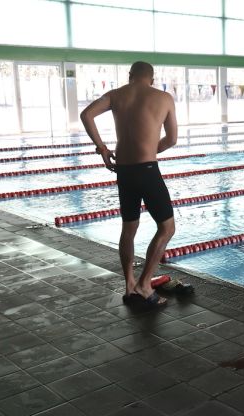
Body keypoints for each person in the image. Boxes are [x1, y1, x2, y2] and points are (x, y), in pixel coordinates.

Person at [80, 61, 177, 308]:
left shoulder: (116, 95)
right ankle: (144, 285)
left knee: (129, 228)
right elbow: (172, 139)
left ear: (130, 76)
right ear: (152, 79)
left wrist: (102, 148)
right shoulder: (163, 98)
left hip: (123, 171)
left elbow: (86, 114)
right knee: (167, 229)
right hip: (147, 170)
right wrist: (151, 149)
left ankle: (129, 285)